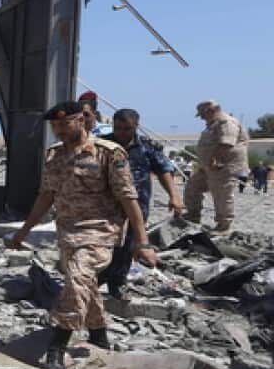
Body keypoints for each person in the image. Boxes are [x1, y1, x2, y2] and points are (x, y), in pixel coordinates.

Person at [10, 101, 157, 369]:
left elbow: (129, 199)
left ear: (81, 120)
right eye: (55, 126)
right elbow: (46, 195)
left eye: (65, 124)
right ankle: (99, 334)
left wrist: (143, 242)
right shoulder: (54, 155)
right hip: (68, 231)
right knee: (84, 283)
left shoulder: (109, 153)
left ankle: (57, 345)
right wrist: (24, 230)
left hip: (101, 230)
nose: (59, 130)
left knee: (78, 278)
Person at [97, 108, 183, 299]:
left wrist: (174, 196)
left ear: (136, 126)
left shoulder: (147, 147)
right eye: (118, 128)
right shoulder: (103, 145)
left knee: (128, 243)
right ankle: (97, 277)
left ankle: (116, 282)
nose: (122, 133)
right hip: (107, 203)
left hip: (138, 202)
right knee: (104, 240)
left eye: (127, 128)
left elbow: (163, 171)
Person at [184, 100, 250, 233]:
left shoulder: (226, 122)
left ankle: (223, 225)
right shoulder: (212, 124)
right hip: (207, 166)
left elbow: (226, 144)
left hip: (224, 166)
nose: (202, 118)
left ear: (211, 111)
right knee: (192, 187)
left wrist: (214, 158)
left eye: (202, 114)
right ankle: (193, 215)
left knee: (221, 195)